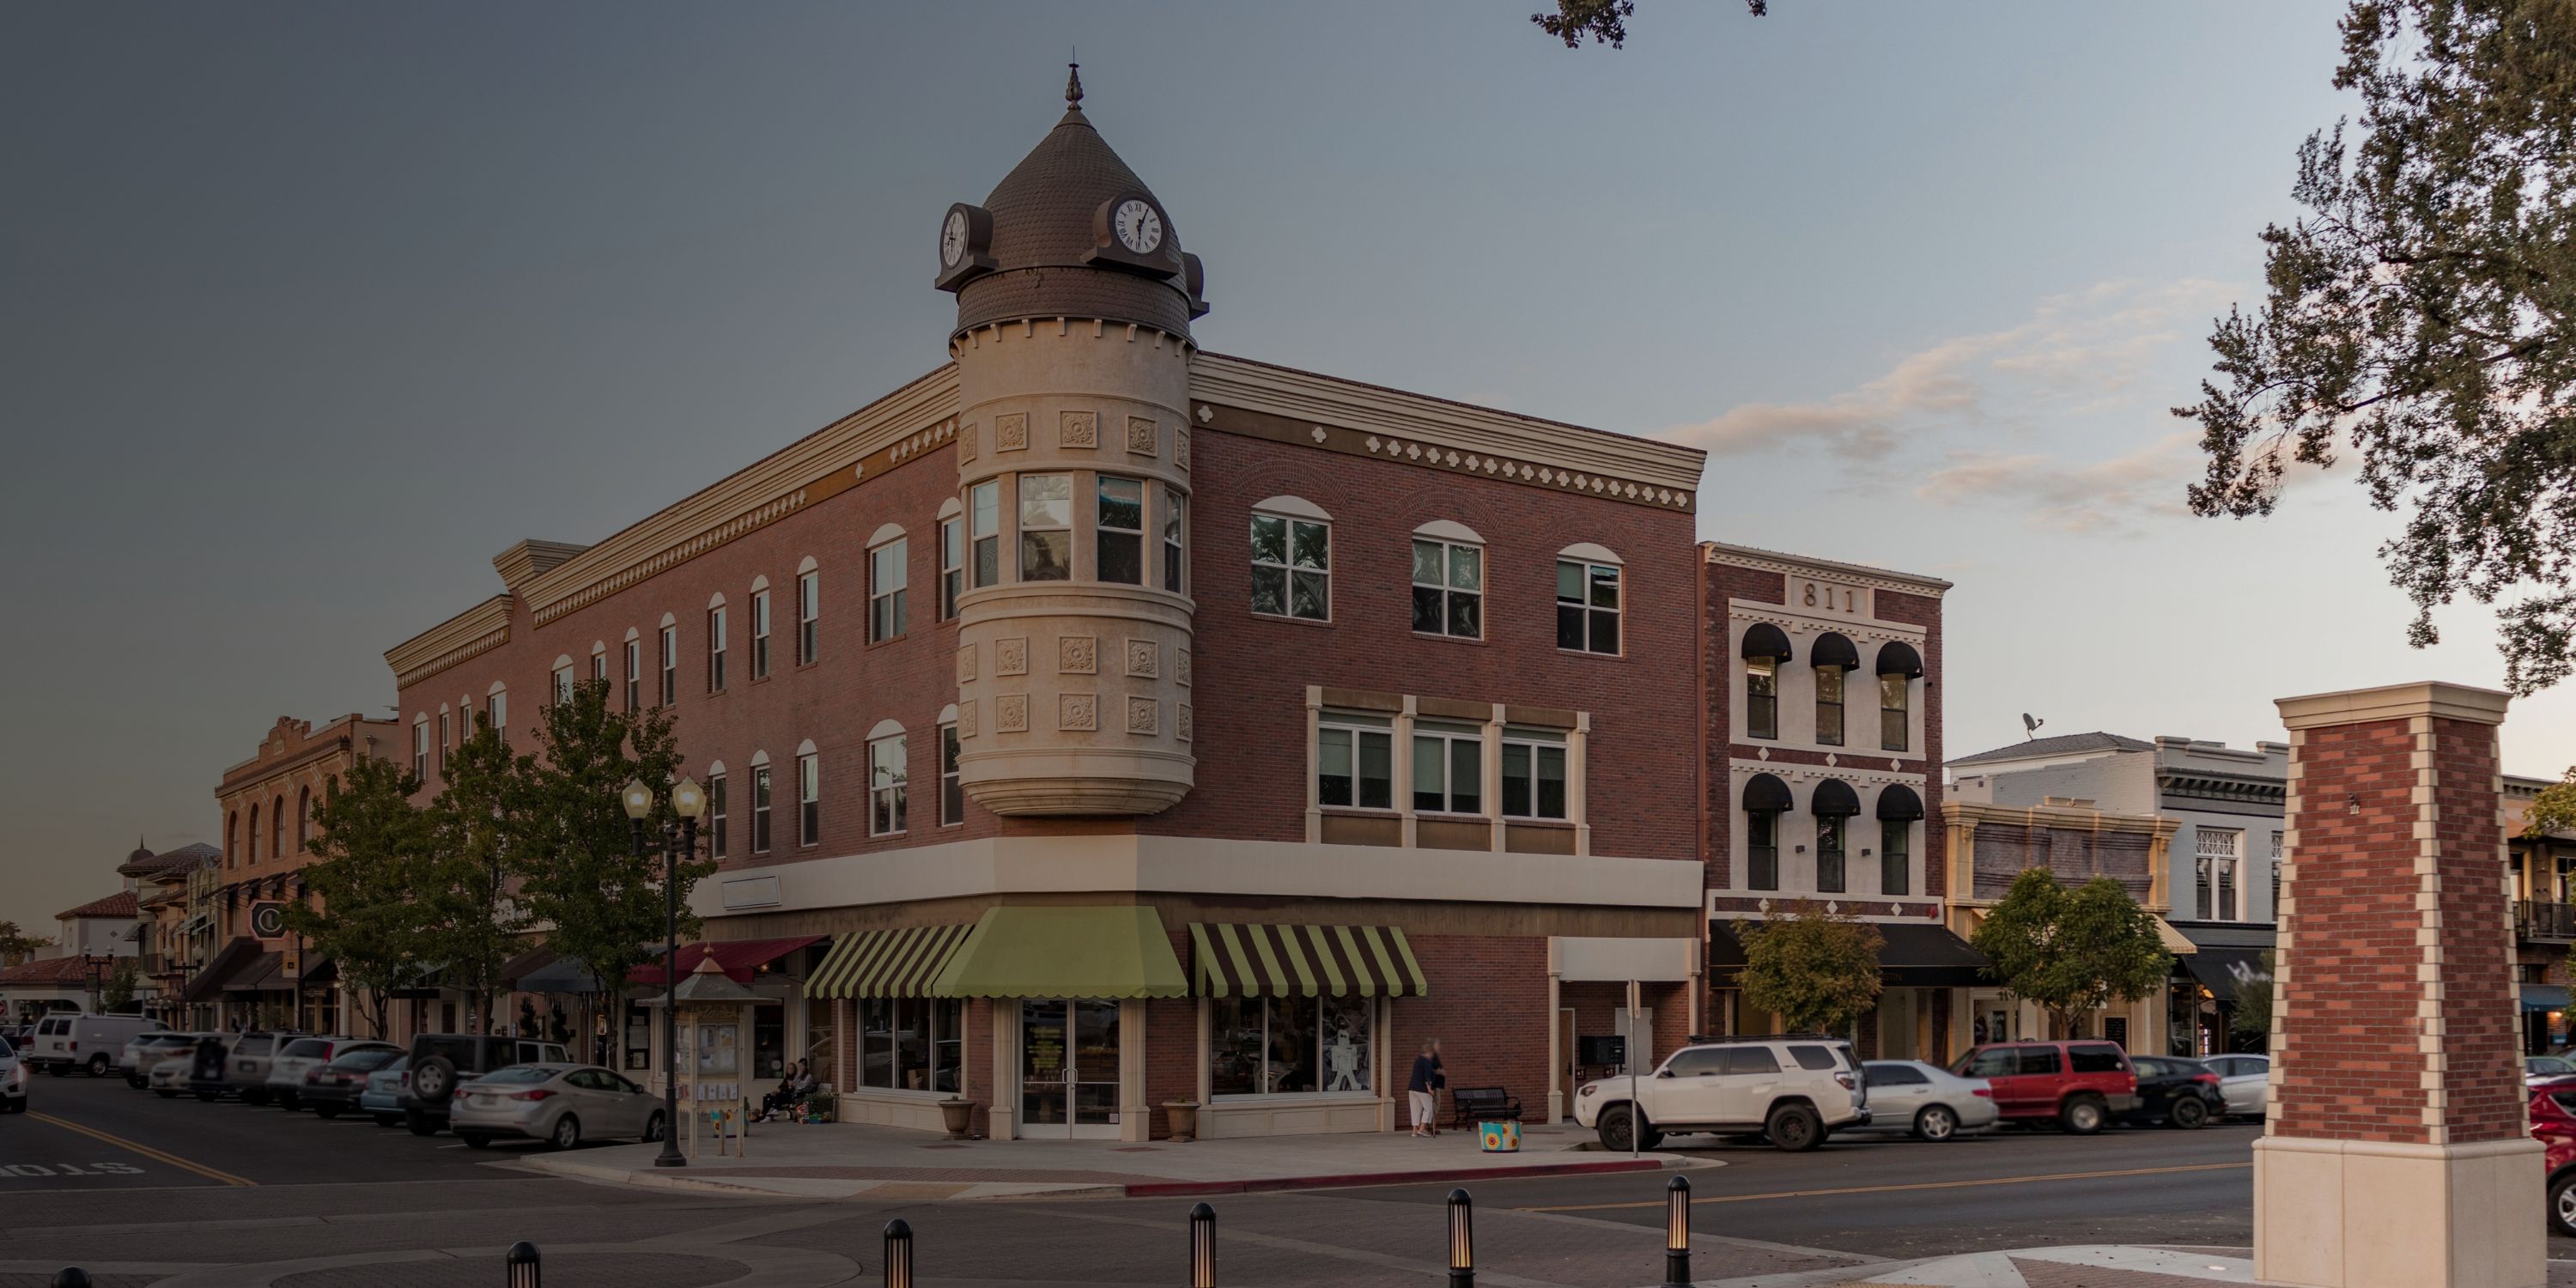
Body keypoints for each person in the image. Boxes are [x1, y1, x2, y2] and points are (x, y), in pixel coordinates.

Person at [1406, 1038, 1445, 1138]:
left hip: (1412, 1088)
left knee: (1415, 1109)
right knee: (1429, 1109)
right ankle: (1422, 1128)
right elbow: (1427, 1076)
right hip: (1422, 1089)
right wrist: (1429, 1089)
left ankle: (1414, 1131)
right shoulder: (1427, 1061)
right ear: (1430, 1052)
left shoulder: (1418, 1060)